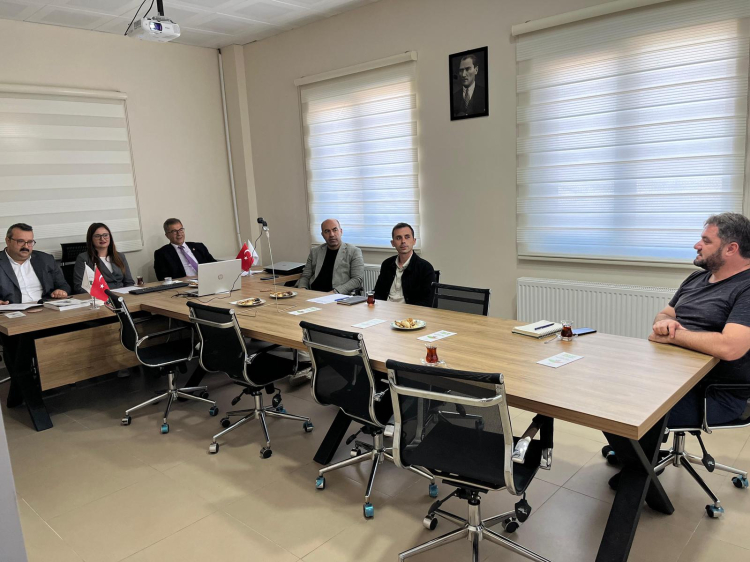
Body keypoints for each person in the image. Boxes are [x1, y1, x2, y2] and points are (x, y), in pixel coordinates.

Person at [608, 213, 750, 488]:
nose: (697, 245)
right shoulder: (696, 279)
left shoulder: (746, 288)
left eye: (706, 240)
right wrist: (664, 324)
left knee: (626, 406)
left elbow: (730, 347)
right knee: (608, 386)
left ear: (731, 248)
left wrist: (673, 337)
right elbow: (663, 314)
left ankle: (640, 478)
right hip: (668, 377)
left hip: (714, 394)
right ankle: (635, 453)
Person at [0, 223, 70, 304]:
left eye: (30, 242)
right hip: (12, 309)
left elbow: (63, 285)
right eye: (20, 241)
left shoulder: (46, 260)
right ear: (8, 241)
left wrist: (61, 291)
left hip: (46, 307)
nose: (26, 246)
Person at [373, 222, 436, 307]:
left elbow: (427, 302)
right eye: (398, 238)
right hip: (385, 310)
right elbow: (377, 293)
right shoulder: (387, 264)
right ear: (393, 243)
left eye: (407, 237)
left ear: (414, 241)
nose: (403, 241)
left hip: (410, 313)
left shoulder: (425, 268)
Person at [297, 219, 364, 294]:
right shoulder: (315, 251)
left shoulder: (354, 251)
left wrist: (335, 292)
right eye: (327, 231)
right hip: (313, 293)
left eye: (335, 230)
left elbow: (357, 279)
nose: (331, 234)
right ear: (322, 235)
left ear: (341, 231)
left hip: (336, 295)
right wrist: (302, 289)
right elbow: (305, 276)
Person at [72, 223, 135, 294]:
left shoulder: (120, 256)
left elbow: (129, 282)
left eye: (105, 235)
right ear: (91, 239)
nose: (102, 238)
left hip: (122, 296)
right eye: (97, 236)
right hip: (99, 297)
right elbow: (79, 287)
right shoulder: (84, 258)